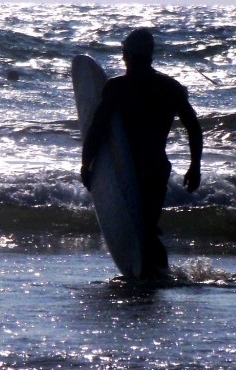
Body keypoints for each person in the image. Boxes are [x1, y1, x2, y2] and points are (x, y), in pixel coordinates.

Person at [81, 28, 204, 280]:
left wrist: (87, 164)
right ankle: (159, 277)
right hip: (156, 169)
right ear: (149, 56)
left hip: (126, 168)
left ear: (127, 55)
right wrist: (195, 166)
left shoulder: (117, 87)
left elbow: (97, 127)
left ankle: (155, 279)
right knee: (147, 227)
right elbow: (194, 127)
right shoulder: (170, 88)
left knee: (144, 229)